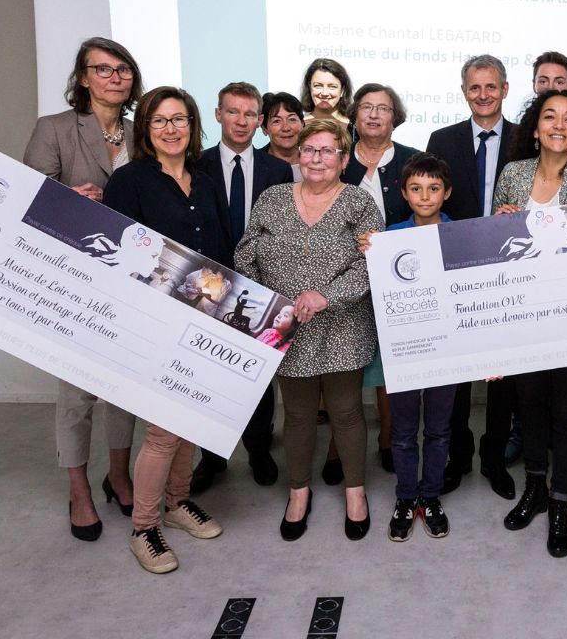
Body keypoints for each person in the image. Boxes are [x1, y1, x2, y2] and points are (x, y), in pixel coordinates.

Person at [234, 118, 383, 543]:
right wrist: (267, 304)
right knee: (297, 416)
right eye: (310, 150)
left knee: (347, 413)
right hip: (285, 327)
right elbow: (246, 253)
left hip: (341, 324)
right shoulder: (271, 198)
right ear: (298, 155)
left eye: (328, 150)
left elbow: (369, 263)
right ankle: (298, 492)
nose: (318, 158)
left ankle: (355, 492)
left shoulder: (358, 202)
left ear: (342, 158)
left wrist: (326, 296)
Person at [104, 86, 230, 573]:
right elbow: (118, 257)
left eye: (179, 119)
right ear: (145, 129)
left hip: (206, 319)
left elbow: (221, 245)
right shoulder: (129, 180)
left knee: (190, 419)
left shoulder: (204, 180)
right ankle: (144, 527)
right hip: (153, 321)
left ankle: (178, 503)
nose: (171, 129)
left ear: (193, 126)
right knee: (162, 432)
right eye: (160, 121)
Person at [23, 36, 144, 540]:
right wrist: (68, 199)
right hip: (73, 279)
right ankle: (79, 490)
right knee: (77, 391)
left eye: (123, 69)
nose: (115, 77)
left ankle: (118, 474)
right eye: (103, 69)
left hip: (132, 279)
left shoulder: (144, 132)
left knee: (124, 387)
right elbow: (25, 198)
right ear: (82, 78)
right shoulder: (54, 128)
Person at [493, 90, 567, 558]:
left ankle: (560, 501)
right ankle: (536, 488)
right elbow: (492, 249)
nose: (559, 125)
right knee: (532, 408)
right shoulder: (513, 174)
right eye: (550, 117)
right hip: (524, 314)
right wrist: (501, 222)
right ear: (536, 126)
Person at [190, 82, 294, 493]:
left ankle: (258, 448)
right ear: (218, 115)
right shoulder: (196, 164)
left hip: (260, 283)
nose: (241, 121)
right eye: (233, 112)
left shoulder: (276, 170)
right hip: (207, 281)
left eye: (250, 114)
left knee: (257, 373)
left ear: (260, 122)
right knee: (206, 372)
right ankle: (211, 457)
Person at [425, 55, 520, 498]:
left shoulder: (526, 139)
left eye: (491, 87)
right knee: (458, 373)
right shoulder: (440, 139)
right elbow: (430, 202)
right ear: (464, 91)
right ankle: (457, 457)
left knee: (506, 374)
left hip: (510, 270)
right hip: (456, 269)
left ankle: (495, 458)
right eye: (474, 87)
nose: (483, 95)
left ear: (504, 89)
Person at [358, 153, 458, 542]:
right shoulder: (387, 238)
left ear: (446, 192)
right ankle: (405, 497)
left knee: (438, 430)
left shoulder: (460, 236)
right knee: (401, 431)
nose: (425, 195)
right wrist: (368, 250)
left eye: (434, 188)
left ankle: (430, 495)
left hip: (447, 351)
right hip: (401, 351)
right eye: (415, 188)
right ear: (403, 192)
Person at [339, 83, 418, 478]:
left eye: (382, 108)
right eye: (366, 107)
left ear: (394, 117)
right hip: (341, 281)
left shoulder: (413, 160)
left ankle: (389, 439)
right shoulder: (337, 161)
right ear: (354, 115)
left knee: (391, 369)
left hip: (399, 283)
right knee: (344, 367)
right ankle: (340, 450)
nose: (373, 114)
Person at [300, 57, 352, 125]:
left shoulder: (356, 128)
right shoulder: (298, 127)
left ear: (343, 90)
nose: (325, 93)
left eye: (332, 87)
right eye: (318, 86)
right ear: (309, 87)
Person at [259, 91, 305, 166]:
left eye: (292, 119)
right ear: (264, 129)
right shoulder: (253, 163)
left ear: (302, 124)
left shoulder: (315, 159)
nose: (286, 128)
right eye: (276, 121)